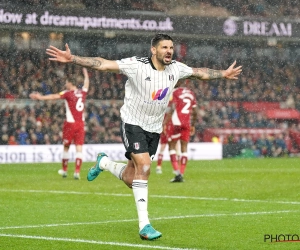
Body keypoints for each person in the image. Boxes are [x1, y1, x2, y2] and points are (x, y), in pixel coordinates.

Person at [46, 33, 242, 240]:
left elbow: (200, 73)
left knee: (132, 179)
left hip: (154, 129)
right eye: (164, 47)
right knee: (145, 167)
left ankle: (103, 163)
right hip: (132, 123)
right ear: (153, 50)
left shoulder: (176, 68)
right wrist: (73, 58)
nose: (169, 51)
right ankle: (145, 225)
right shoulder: (136, 65)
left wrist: (224, 73)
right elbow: (103, 64)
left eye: (171, 47)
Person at [29, 68, 90, 180]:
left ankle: (65, 170)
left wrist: (40, 97)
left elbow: (54, 96)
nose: (65, 84)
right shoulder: (82, 92)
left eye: (66, 82)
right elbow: (86, 84)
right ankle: (77, 171)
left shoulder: (67, 93)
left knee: (66, 147)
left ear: (70, 83)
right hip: (81, 124)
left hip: (70, 124)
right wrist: (86, 75)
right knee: (79, 147)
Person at [163, 79, 197, 182]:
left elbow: (171, 109)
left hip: (175, 122)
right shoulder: (191, 93)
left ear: (177, 83)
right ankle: (181, 173)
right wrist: (193, 125)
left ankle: (177, 173)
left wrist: (164, 123)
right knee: (184, 148)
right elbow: (195, 112)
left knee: (171, 146)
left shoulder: (174, 92)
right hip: (186, 123)